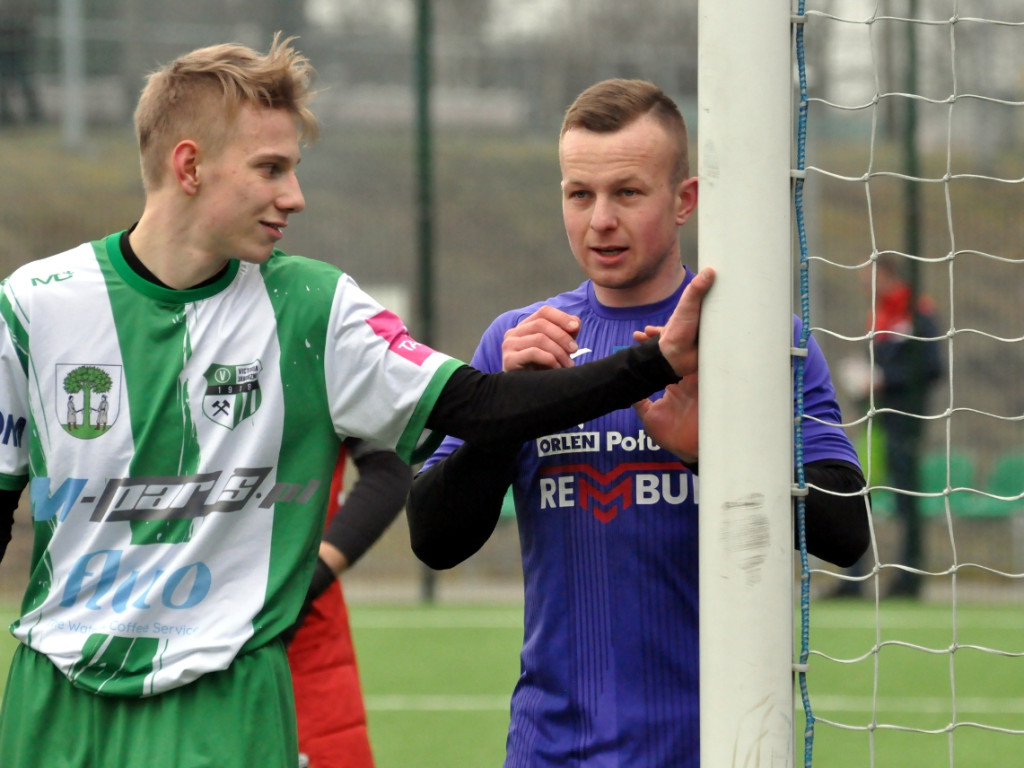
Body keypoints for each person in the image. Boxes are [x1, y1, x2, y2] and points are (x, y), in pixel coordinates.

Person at [0, 39, 715, 768]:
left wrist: (651, 362)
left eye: (294, 169)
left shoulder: (315, 307)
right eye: (270, 169)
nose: (294, 196)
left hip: (223, 698)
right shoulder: (34, 305)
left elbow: (476, 407)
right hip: (50, 700)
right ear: (189, 166)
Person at [406, 78, 869, 768]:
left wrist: (714, 453)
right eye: (579, 194)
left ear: (683, 200)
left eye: (626, 192)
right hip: (551, 750)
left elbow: (846, 533)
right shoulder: (521, 340)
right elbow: (436, 540)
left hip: (718, 747)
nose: (599, 221)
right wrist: (506, 408)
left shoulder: (758, 337)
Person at [284, 439, 411, 768]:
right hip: (158, 632)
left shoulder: (315, 384)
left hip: (303, 645)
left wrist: (306, 582)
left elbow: (389, 468)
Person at [835, 254, 943, 598]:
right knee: (856, 490)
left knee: (904, 498)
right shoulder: (879, 316)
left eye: (868, 277)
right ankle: (852, 581)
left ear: (886, 275)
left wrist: (884, 381)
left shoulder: (918, 312)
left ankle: (909, 580)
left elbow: (932, 366)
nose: (863, 284)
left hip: (905, 423)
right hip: (875, 422)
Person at [0, 0, 42, 126]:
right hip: (4, 54)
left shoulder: (21, 10)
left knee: (25, 83)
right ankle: (7, 117)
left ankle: (35, 116)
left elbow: (30, 25)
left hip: (17, 54)